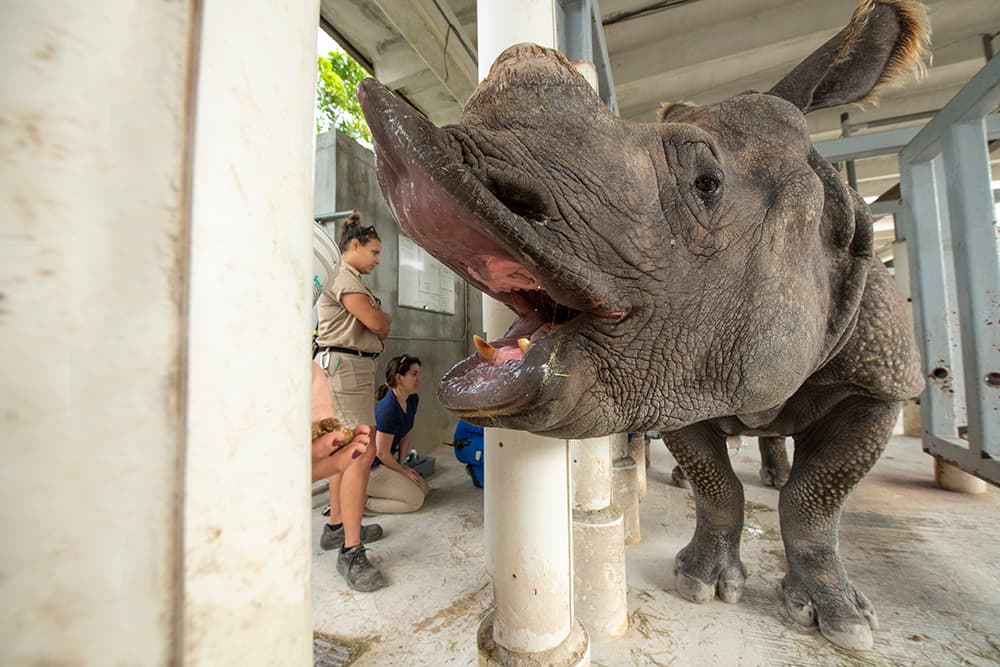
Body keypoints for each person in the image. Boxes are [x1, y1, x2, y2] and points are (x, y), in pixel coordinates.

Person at [313, 214, 391, 591]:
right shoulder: (344, 277)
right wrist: (384, 318)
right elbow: (377, 322)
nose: (378, 259)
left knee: (344, 454)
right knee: (359, 456)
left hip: (347, 369)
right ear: (354, 246)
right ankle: (351, 551)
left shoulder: (349, 278)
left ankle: (336, 527)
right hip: (346, 370)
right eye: (374, 251)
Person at [367, 354, 429, 513]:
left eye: (419, 374)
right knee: (415, 500)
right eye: (414, 374)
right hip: (370, 468)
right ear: (399, 378)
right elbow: (381, 453)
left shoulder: (412, 399)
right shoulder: (388, 409)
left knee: (423, 489)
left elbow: (407, 431)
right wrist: (404, 472)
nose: (418, 379)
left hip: (384, 461)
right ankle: (363, 504)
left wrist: (402, 463)